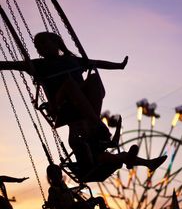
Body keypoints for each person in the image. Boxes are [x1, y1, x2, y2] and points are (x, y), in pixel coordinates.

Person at [0, 31, 128, 141]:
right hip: (60, 103)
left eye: (43, 42)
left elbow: (98, 63)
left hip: (82, 98)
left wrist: (119, 66)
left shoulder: (72, 60)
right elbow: (11, 65)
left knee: (94, 78)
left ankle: (93, 125)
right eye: (36, 46)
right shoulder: (38, 64)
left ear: (56, 43)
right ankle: (96, 124)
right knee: (69, 83)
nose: (39, 47)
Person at [68, 125, 168, 183]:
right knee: (116, 156)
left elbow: (113, 144)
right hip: (91, 168)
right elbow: (87, 156)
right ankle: (142, 162)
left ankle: (146, 163)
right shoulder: (85, 143)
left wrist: (118, 128)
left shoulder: (93, 142)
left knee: (121, 155)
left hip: (97, 167)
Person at [46, 164, 124, 209]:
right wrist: (50, 204)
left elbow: (71, 194)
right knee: (82, 204)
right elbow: (51, 203)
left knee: (99, 199)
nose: (58, 176)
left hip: (75, 208)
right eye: (55, 175)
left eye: (59, 174)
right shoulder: (53, 189)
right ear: (51, 177)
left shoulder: (63, 185)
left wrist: (77, 191)